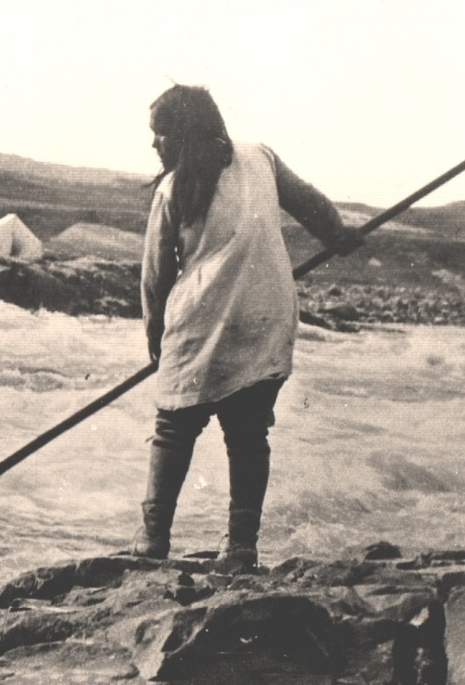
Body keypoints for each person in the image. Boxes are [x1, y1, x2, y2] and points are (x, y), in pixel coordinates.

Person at [131, 85, 362, 572]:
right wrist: (337, 235)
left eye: (162, 134)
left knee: (174, 429)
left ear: (186, 134)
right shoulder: (261, 158)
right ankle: (241, 548)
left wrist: (156, 338)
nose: (155, 145)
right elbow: (310, 203)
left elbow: (155, 278)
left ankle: (152, 542)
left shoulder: (173, 190)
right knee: (248, 435)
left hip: (200, 325)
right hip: (265, 318)